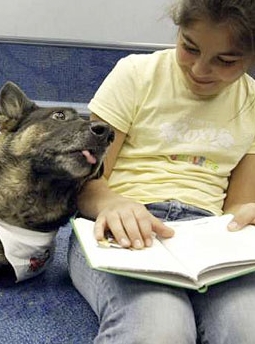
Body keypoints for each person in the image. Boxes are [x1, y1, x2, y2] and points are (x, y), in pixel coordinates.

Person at [67, 0, 255, 343]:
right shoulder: (136, 75)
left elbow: (236, 210)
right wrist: (111, 204)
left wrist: (248, 216)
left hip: (209, 236)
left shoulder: (253, 104)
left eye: (226, 61)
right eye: (189, 47)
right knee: (160, 328)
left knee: (247, 326)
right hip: (120, 225)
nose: (200, 69)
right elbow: (84, 184)